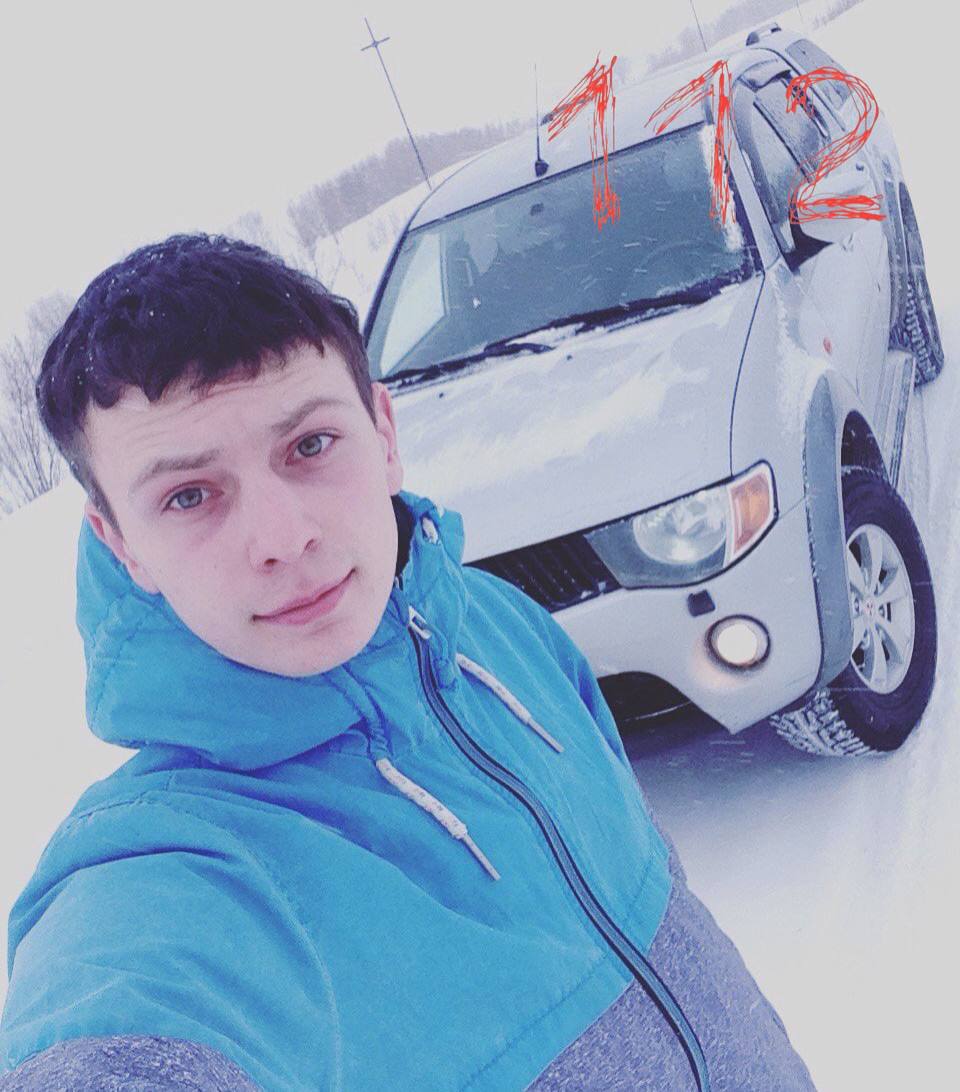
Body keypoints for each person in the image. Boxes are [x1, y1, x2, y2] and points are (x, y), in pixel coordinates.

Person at [0, 234, 816, 1091]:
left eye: (309, 445)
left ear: (385, 434)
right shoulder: (177, 880)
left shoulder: (497, 626)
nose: (284, 538)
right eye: (189, 495)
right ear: (122, 543)